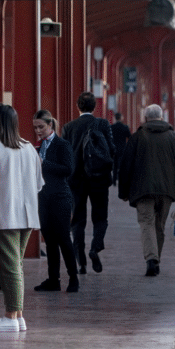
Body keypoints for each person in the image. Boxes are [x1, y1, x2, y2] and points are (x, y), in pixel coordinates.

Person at [0, 104, 42, 332]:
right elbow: (39, 183)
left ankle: (10, 316)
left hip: (4, 213)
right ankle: (18, 315)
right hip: (28, 214)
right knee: (17, 264)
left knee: (8, 266)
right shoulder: (29, 148)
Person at [118, 104, 175, 277]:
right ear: (162, 117)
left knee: (147, 223)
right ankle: (155, 260)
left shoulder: (137, 137)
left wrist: (123, 192)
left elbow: (125, 166)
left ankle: (151, 259)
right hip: (166, 191)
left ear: (146, 118)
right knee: (159, 226)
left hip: (143, 190)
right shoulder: (173, 137)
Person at [61, 92, 116, 274]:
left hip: (76, 180)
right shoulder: (102, 124)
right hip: (99, 178)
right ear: (94, 107)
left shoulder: (69, 127)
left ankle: (81, 261)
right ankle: (95, 247)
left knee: (77, 219)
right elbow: (112, 150)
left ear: (78, 106)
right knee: (100, 217)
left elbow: (65, 155)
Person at [32, 110, 77, 293]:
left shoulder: (62, 145)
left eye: (41, 127)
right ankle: (53, 279)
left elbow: (68, 169)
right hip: (44, 198)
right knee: (49, 239)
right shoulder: (38, 146)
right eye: (35, 127)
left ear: (51, 125)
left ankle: (73, 278)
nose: (38, 131)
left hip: (60, 197)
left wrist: (44, 163)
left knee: (64, 238)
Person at [110, 112, 131, 184]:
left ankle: (114, 180)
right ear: (121, 118)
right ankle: (121, 178)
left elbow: (109, 138)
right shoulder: (125, 127)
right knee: (122, 164)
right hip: (122, 149)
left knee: (114, 165)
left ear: (115, 118)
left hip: (114, 148)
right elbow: (130, 137)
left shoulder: (112, 127)